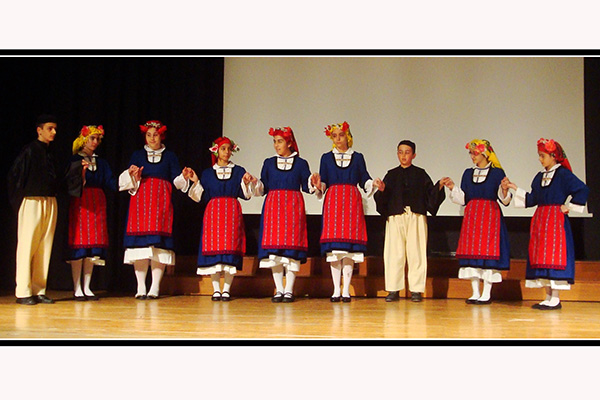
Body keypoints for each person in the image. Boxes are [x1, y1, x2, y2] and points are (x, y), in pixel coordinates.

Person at [505, 138, 589, 310]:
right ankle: (548, 296)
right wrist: (515, 189)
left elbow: (582, 189)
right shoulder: (540, 177)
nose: (540, 159)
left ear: (553, 156)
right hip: (541, 219)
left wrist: (569, 206)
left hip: (555, 220)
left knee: (554, 256)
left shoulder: (563, 174)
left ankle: (555, 298)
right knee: (542, 256)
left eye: (543, 156)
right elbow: (533, 199)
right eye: (539, 155)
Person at [313, 121, 383, 302]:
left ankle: (346, 290)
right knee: (335, 250)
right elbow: (324, 182)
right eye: (334, 136)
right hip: (333, 203)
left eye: (341, 135)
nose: (338, 139)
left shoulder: (357, 157)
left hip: (351, 202)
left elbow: (364, 178)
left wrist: (372, 184)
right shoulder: (326, 158)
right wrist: (318, 185)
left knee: (349, 249)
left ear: (348, 136)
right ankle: (336, 289)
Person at [119, 120, 189, 300]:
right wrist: (133, 175)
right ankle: (141, 286)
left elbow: (176, 182)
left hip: (161, 203)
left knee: (159, 247)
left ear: (161, 136)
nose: (152, 138)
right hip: (140, 203)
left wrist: (183, 176)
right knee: (140, 247)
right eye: (149, 135)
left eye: (155, 135)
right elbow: (128, 180)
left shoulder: (170, 156)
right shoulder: (137, 155)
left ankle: (155, 287)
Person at [374, 140, 446, 302]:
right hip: (395, 216)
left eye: (407, 152)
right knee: (394, 253)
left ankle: (416, 290)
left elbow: (430, 195)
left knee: (417, 253)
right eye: (400, 152)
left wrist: (439, 186)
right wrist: (382, 190)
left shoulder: (421, 174)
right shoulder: (391, 174)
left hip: (416, 216)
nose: (403, 156)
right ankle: (393, 289)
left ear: (414, 155)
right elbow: (383, 200)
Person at [186, 136, 256, 301]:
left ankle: (226, 289)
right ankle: (216, 289)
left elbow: (245, 195)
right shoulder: (208, 173)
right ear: (216, 151)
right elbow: (202, 197)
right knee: (214, 250)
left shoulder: (238, 171)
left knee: (230, 250)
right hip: (214, 214)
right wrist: (196, 182)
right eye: (223, 149)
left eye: (229, 149)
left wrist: (246, 183)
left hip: (231, 214)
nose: (226, 152)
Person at [443, 139, 512, 304]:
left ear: (485, 154)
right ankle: (475, 292)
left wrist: (504, 189)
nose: (472, 156)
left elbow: (504, 200)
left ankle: (486, 293)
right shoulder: (468, 173)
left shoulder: (497, 173)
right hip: (472, 217)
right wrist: (453, 188)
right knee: (472, 254)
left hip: (490, 217)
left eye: (475, 153)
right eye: (471, 153)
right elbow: (464, 198)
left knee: (488, 254)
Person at [254, 127, 318, 303]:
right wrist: (254, 183)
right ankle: (279, 289)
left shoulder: (300, 163)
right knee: (274, 252)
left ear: (289, 143)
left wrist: (313, 183)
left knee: (291, 250)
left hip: (292, 208)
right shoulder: (269, 163)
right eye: (274, 142)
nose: (276, 145)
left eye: (280, 141)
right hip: (273, 207)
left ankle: (289, 289)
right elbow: (263, 187)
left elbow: (307, 187)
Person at [7, 114, 59, 305]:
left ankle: (39, 289)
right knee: (27, 245)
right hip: (31, 201)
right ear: (39, 130)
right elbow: (14, 175)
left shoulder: (50, 152)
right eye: (50, 128)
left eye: (54, 128)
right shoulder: (29, 150)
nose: (53, 132)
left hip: (49, 200)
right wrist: (20, 200)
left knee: (45, 246)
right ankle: (23, 291)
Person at [65, 125, 117, 301]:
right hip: (80, 202)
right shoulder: (75, 160)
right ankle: (77, 287)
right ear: (83, 140)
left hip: (97, 203)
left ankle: (87, 286)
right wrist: (81, 174)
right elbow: (70, 184)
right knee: (80, 244)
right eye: (92, 139)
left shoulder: (101, 163)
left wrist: (131, 177)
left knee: (91, 247)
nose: (95, 142)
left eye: (97, 139)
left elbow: (111, 183)